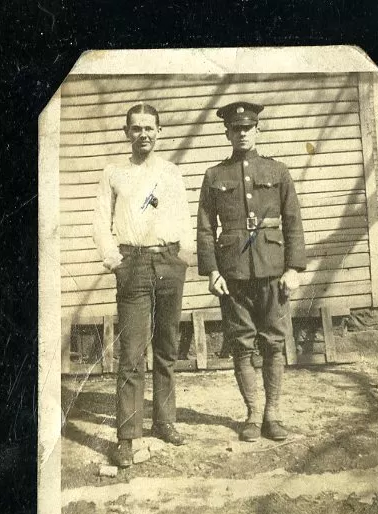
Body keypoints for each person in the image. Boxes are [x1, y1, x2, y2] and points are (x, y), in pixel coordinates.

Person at [197, 101, 307, 442]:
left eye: (247, 127)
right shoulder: (215, 176)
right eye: (235, 128)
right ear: (226, 132)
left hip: (273, 270)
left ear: (257, 130)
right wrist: (212, 271)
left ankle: (273, 414)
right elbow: (204, 227)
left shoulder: (278, 171)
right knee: (242, 346)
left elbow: (293, 222)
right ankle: (252, 414)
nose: (241, 133)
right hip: (233, 275)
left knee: (274, 343)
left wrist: (293, 268)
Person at [93, 103, 194, 467]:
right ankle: (127, 436)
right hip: (132, 264)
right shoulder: (114, 173)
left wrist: (183, 255)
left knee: (167, 347)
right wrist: (114, 260)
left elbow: (183, 216)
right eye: (136, 128)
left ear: (160, 131)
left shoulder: (171, 173)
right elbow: (100, 220)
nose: (143, 134)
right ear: (127, 133)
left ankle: (165, 422)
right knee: (132, 353)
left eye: (149, 128)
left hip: (168, 262)